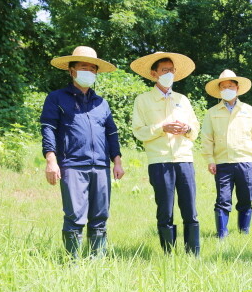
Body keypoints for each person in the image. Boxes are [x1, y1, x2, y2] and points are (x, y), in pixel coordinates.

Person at [40, 46, 125, 259]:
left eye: (92, 68)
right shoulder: (56, 98)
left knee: (100, 216)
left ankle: (97, 260)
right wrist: (51, 159)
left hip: (100, 167)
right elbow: (48, 127)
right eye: (83, 67)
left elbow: (112, 133)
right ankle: (72, 262)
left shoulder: (101, 103)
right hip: (72, 164)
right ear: (71, 70)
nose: (89, 71)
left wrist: (117, 160)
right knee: (75, 216)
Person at [131, 52, 200, 256]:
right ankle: (168, 254)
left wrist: (186, 129)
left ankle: (193, 253)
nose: (169, 74)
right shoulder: (143, 100)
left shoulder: (182, 100)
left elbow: (195, 130)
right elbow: (139, 132)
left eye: (171, 70)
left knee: (190, 209)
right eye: (164, 70)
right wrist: (162, 127)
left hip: (184, 159)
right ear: (154, 74)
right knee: (165, 210)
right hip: (159, 161)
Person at [201, 69, 252, 238]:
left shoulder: (249, 111)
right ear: (219, 90)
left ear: (237, 88)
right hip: (222, 162)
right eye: (223, 86)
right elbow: (207, 138)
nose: (227, 89)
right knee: (222, 200)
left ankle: (244, 232)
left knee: (246, 199)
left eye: (230, 85)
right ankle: (221, 234)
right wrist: (210, 159)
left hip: (245, 161)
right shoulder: (212, 112)